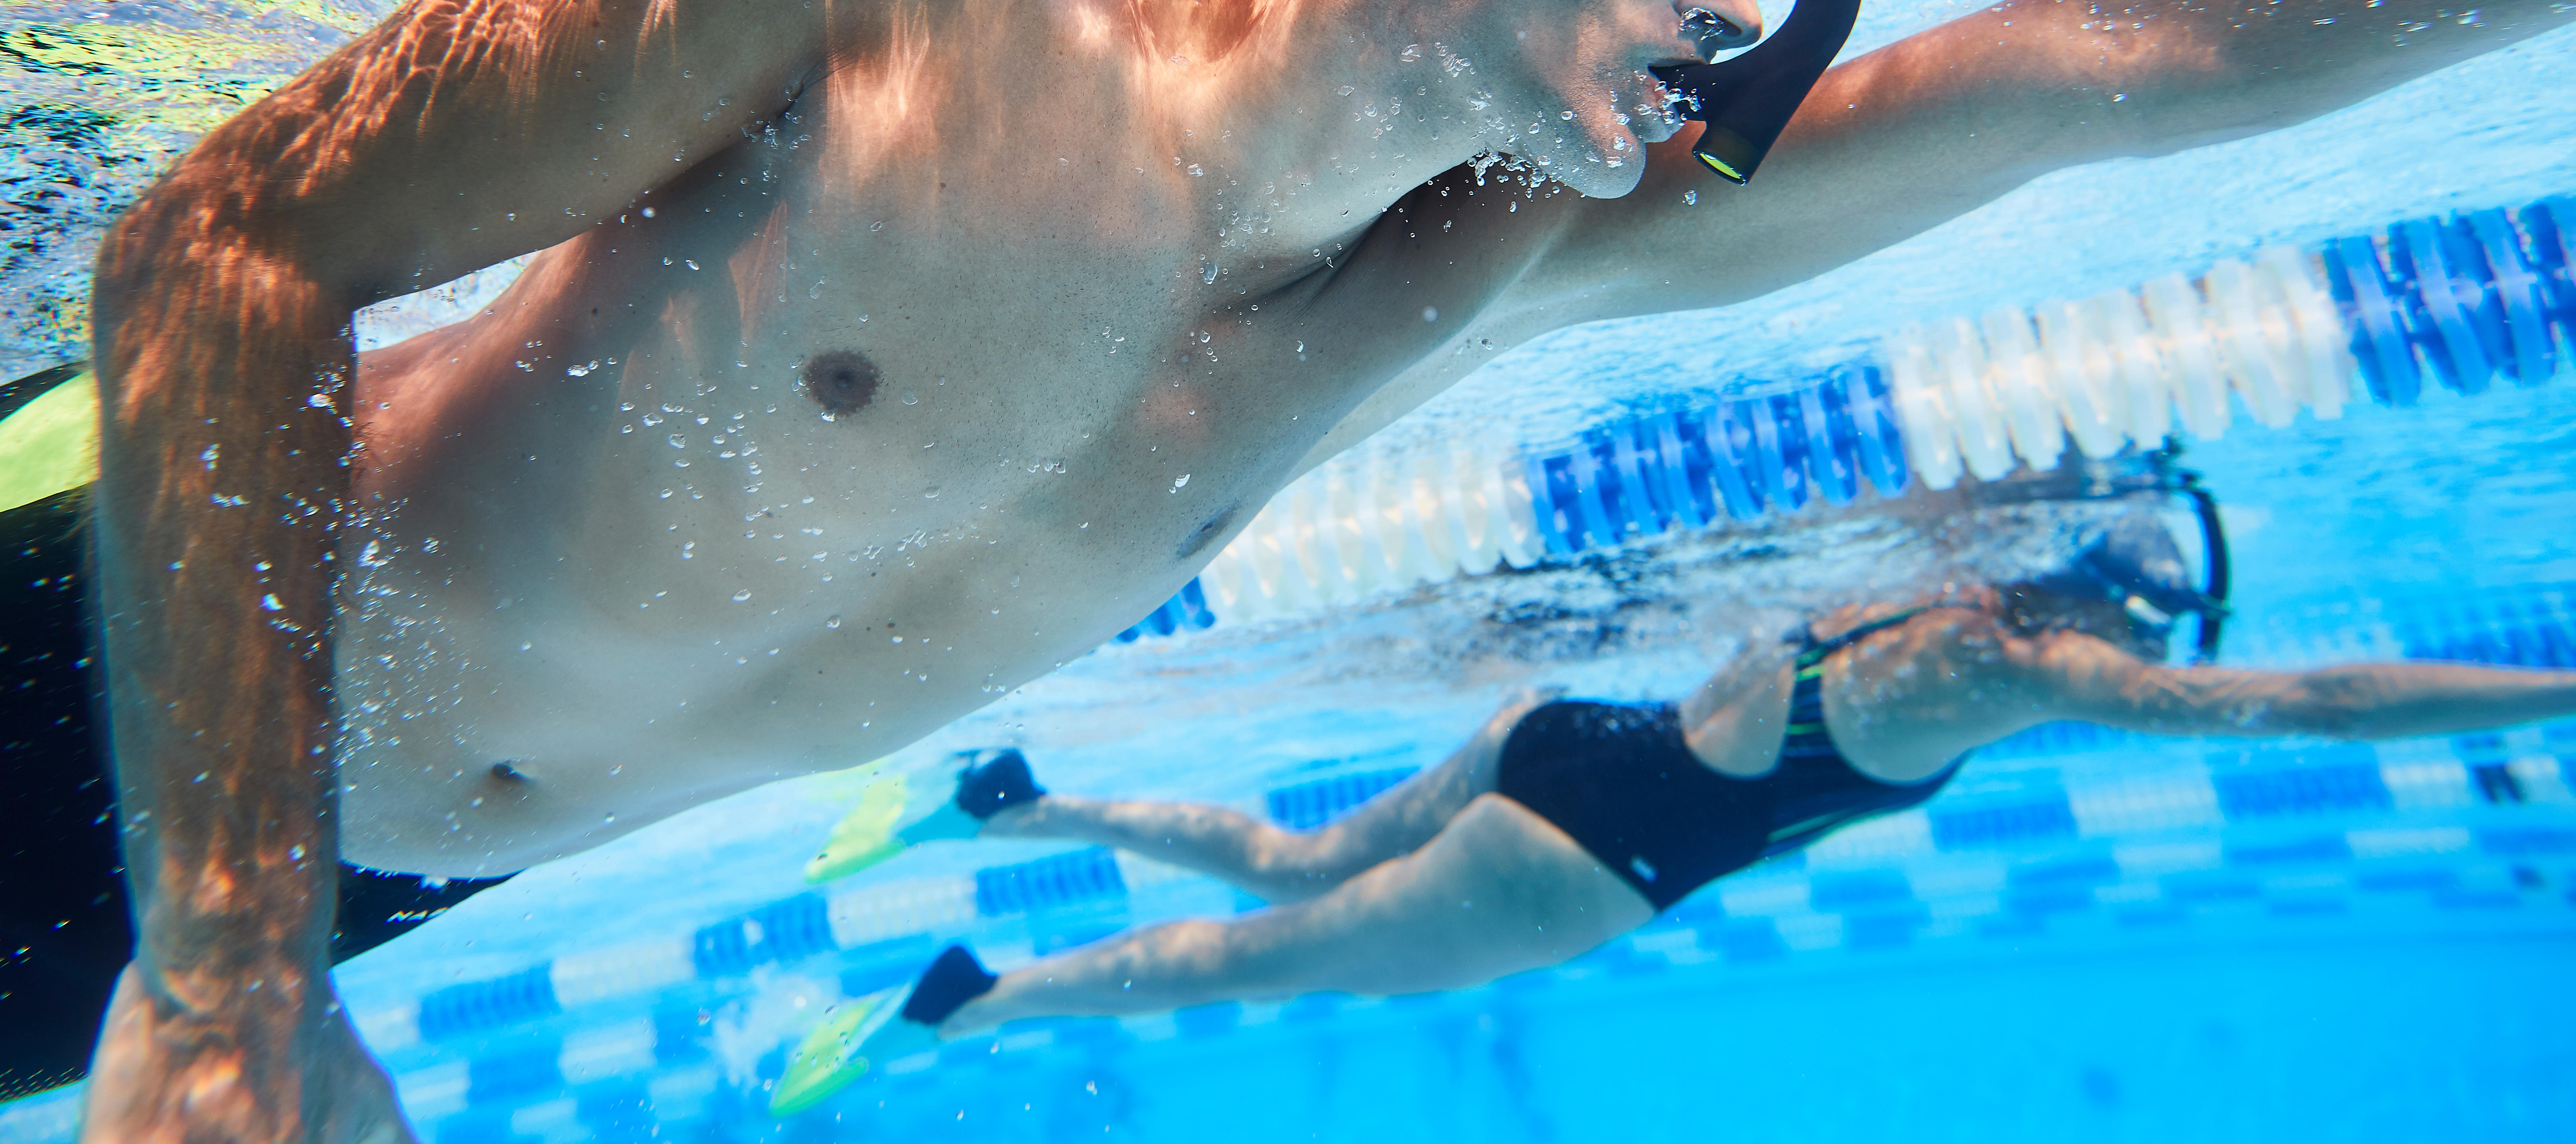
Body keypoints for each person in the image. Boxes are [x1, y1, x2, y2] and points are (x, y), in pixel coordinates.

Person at [0, 0, 2553, 1144]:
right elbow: (224, 240)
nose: (1724, 3)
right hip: (118, 641)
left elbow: (2135, 56)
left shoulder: (1492, 273)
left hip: (309, 903)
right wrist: (238, 945)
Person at [772, 517, 2576, 1113]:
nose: (2151, 655)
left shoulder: (1921, 580)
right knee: (1258, 958)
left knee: (1301, 855)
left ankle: (1015, 802)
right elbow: (2321, 704)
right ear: (2106, 610)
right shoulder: (2025, 673)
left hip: (1563, 738)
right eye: (2151, 628)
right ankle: (965, 999)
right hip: (1595, 859)